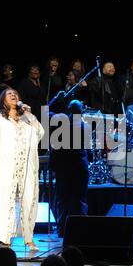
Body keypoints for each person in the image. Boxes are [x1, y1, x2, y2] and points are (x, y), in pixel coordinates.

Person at [0, 71, 44, 250]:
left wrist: (30, 116)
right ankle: (5, 239)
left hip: (26, 168)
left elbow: (40, 134)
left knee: (28, 198)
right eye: (9, 94)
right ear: (3, 101)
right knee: (4, 200)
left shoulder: (28, 119)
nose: (14, 95)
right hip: (6, 168)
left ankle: (29, 239)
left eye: (16, 94)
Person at [49, 100, 89, 237]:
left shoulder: (61, 126)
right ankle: (80, 229)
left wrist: (53, 167)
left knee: (63, 200)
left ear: (69, 111)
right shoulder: (85, 126)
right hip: (79, 168)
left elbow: (54, 149)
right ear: (81, 111)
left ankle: (62, 230)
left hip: (64, 169)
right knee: (80, 200)